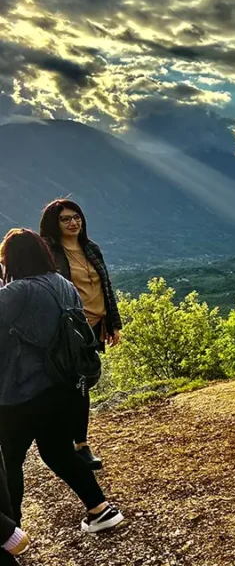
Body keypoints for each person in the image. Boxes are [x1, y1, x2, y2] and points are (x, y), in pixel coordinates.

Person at [0, 229, 124, 535]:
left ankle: (10, 533)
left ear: (11, 260)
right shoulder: (64, 284)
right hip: (62, 386)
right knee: (57, 451)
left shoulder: (17, 291)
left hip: (21, 391)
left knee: (8, 463)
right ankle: (100, 508)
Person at [39, 199, 121, 471]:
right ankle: (79, 444)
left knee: (83, 382)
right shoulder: (49, 252)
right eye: (66, 219)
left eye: (77, 217)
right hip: (68, 329)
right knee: (77, 384)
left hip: (94, 326)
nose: (74, 222)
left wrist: (113, 321)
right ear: (55, 223)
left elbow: (105, 286)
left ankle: (73, 440)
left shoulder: (91, 249)